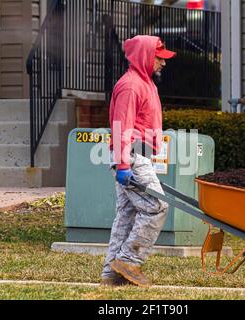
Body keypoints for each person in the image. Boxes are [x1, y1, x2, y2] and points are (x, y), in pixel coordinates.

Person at [101, 35, 176, 287]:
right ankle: (129, 261)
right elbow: (121, 125)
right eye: (158, 58)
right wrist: (123, 165)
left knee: (127, 214)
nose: (162, 64)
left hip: (136, 155)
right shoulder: (131, 85)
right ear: (145, 56)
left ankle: (111, 274)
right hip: (131, 156)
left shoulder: (145, 83)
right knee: (156, 206)